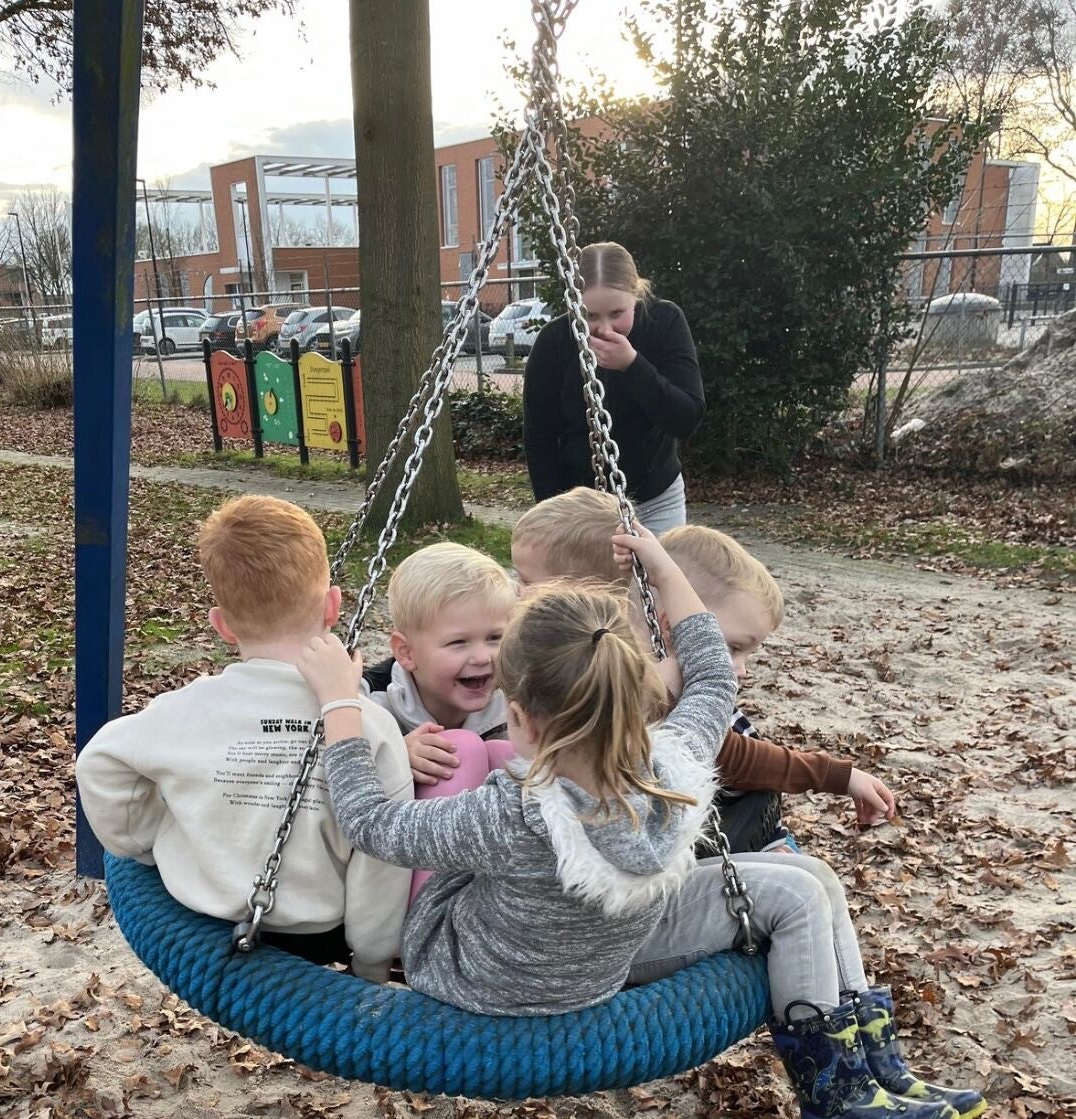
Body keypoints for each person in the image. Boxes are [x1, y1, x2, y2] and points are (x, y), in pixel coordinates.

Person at [299, 525, 983, 1119]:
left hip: (480, 971)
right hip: (584, 961)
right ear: (642, 696)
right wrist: (662, 568)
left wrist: (340, 705)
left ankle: (867, 1078)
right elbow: (711, 673)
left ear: (520, 718)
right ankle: (837, 1092)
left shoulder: (511, 814)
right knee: (803, 891)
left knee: (810, 882)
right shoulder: (678, 760)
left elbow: (372, 823)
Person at [75, 495, 413, 984]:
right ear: (333, 606)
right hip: (320, 933)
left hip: (199, 911)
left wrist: (145, 841)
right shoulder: (369, 726)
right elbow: (381, 857)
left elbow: (98, 762)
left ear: (223, 626)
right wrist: (371, 961)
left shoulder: (183, 711)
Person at [510, 494, 895, 842]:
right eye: (731, 647)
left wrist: (835, 775)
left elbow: (734, 752)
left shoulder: (653, 678)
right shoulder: (638, 684)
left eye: (526, 581)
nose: (516, 594)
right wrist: (835, 775)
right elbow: (733, 754)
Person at [523, 241, 703, 534]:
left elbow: (686, 418)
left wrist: (632, 365)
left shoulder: (664, 323)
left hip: (655, 499)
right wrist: (552, 517)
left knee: (662, 566)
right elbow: (539, 438)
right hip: (581, 508)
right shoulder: (554, 343)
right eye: (590, 316)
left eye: (617, 313)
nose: (605, 329)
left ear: (636, 296)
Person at [363, 541, 517, 789]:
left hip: (494, 809)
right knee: (464, 748)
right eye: (458, 642)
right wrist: (395, 754)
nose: (482, 657)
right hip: (408, 811)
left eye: (495, 638)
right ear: (407, 653)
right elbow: (342, 769)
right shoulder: (374, 704)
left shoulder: (518, 697)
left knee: (506, 753)